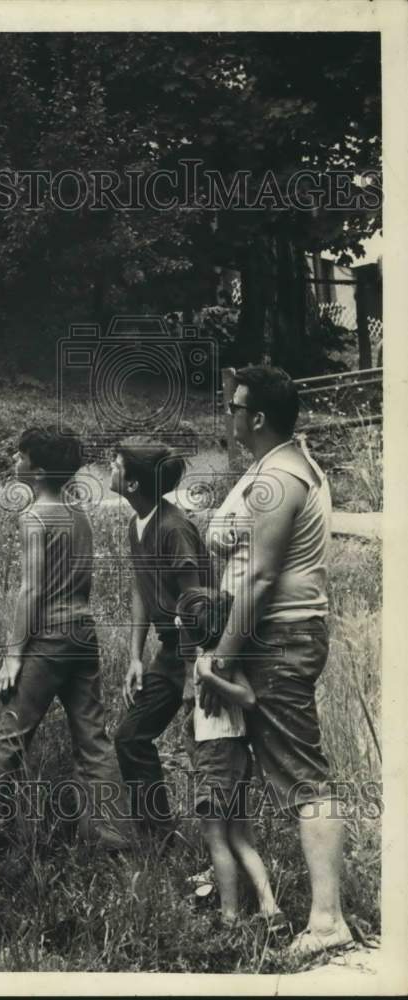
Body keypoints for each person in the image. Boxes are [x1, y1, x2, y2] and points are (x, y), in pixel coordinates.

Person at [204, 364, 353, 957]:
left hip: (281, 638)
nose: (230, 415)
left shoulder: (284, 476)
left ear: (257, 417)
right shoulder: (277, 466)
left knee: (304, 774)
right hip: (280, 636)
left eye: (236, 407)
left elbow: (262, 576)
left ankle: (327, 923)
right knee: (295, 771)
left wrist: (220, 655)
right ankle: (320, 914)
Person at [0, 426, 129, 848]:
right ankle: (114, 835)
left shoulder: (34, 517)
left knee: (9, 736)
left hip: (48, 637)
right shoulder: (78, 515)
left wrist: (13, 653)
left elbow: (30, 589)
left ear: (39, 468)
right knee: (93, 738)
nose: (15, 460)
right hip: (83, 634)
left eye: (22, 455)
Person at [110, 440, 211, 839]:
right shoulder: (137, 524)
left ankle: (223, 844)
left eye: (116, 465)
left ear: (132, 483)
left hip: (198, 651)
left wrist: (190, 674)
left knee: (205, 750)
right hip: (168, 653)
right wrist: (136, 656)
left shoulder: (174, 528)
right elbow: (141, 588)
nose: (110, 469)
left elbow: (194, 602)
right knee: (130, 737)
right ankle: (157, 834)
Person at [176, 587, 286, 931]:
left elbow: (247, 698)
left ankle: (229, 917)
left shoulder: (205, 662)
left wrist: (207, 678)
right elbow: (247, 699)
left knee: (217, 839)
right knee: (239, 837)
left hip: (216, 756)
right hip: (238, 753)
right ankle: (270, 906)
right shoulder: (225, 658)